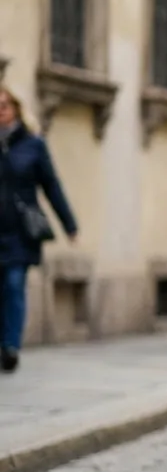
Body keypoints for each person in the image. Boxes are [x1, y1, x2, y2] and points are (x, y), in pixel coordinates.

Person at [0, 87, 77, 373]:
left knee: (13, 283)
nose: (1, 109)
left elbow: (52, 186)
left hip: (20, 230)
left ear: (17, 109)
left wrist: (69, 224)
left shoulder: (33, 145)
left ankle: (10, 346)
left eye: (6, 104)